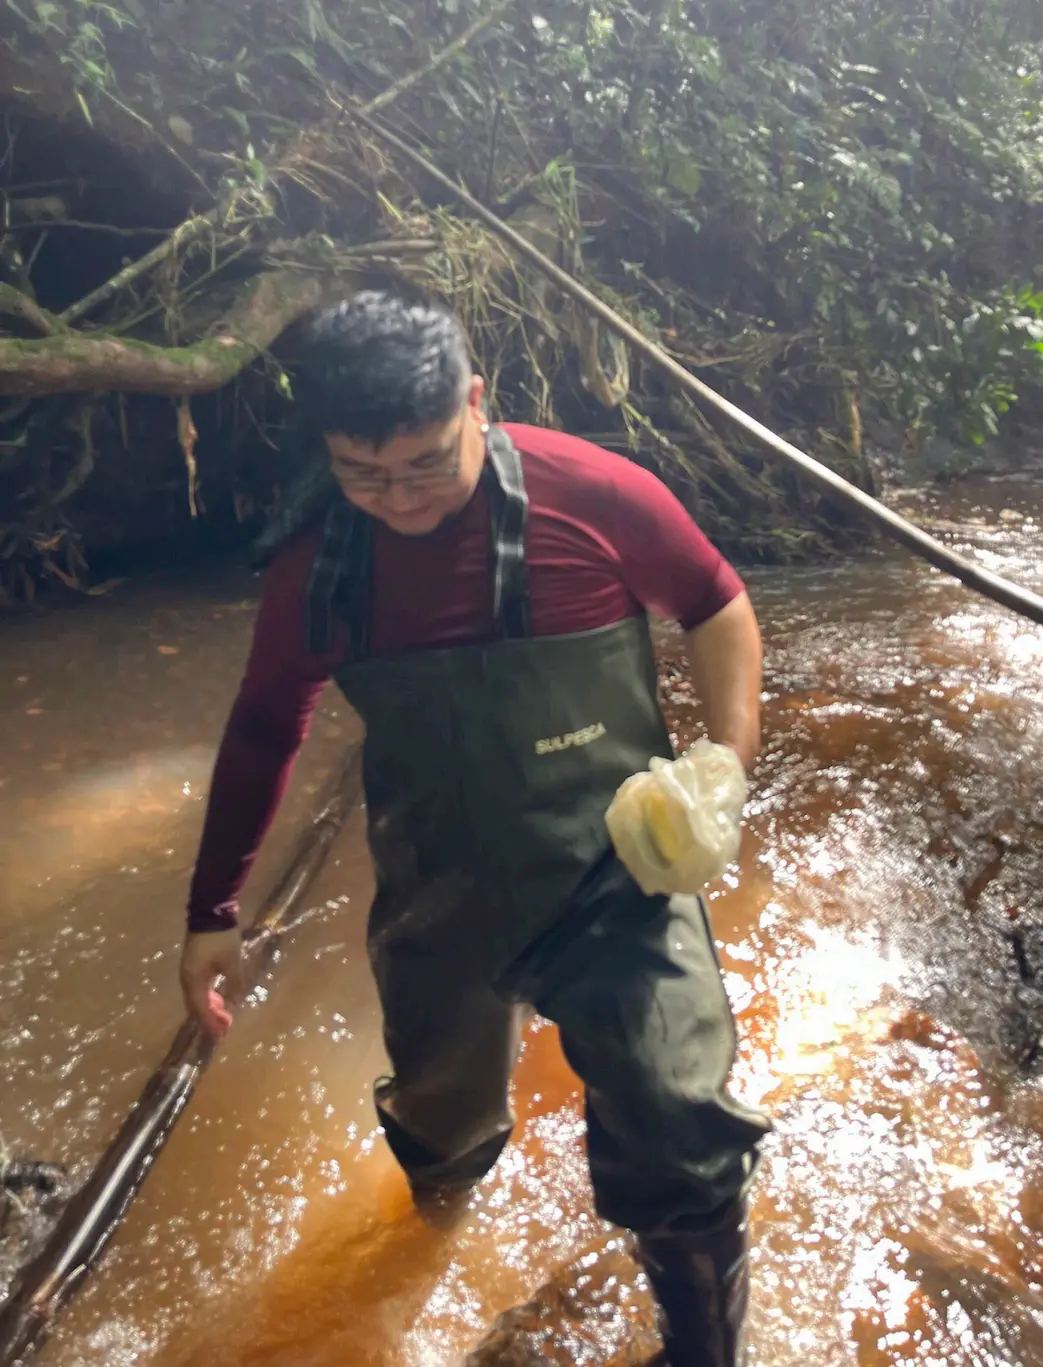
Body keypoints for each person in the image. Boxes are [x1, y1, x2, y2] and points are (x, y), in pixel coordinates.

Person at [179, 291, 770, 1367]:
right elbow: (268, 721)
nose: (398, 498)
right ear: (327, 451)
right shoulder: (317, 565)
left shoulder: (593, 495)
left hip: (613, 871)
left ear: (475, 402)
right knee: (441, 1125)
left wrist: (723, 763)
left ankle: (702, 1350)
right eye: (365, 474)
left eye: (424, 462)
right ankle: (429, 1264)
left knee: (678, 1113)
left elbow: (717, 604)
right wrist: (212, 908)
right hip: (436, 885)